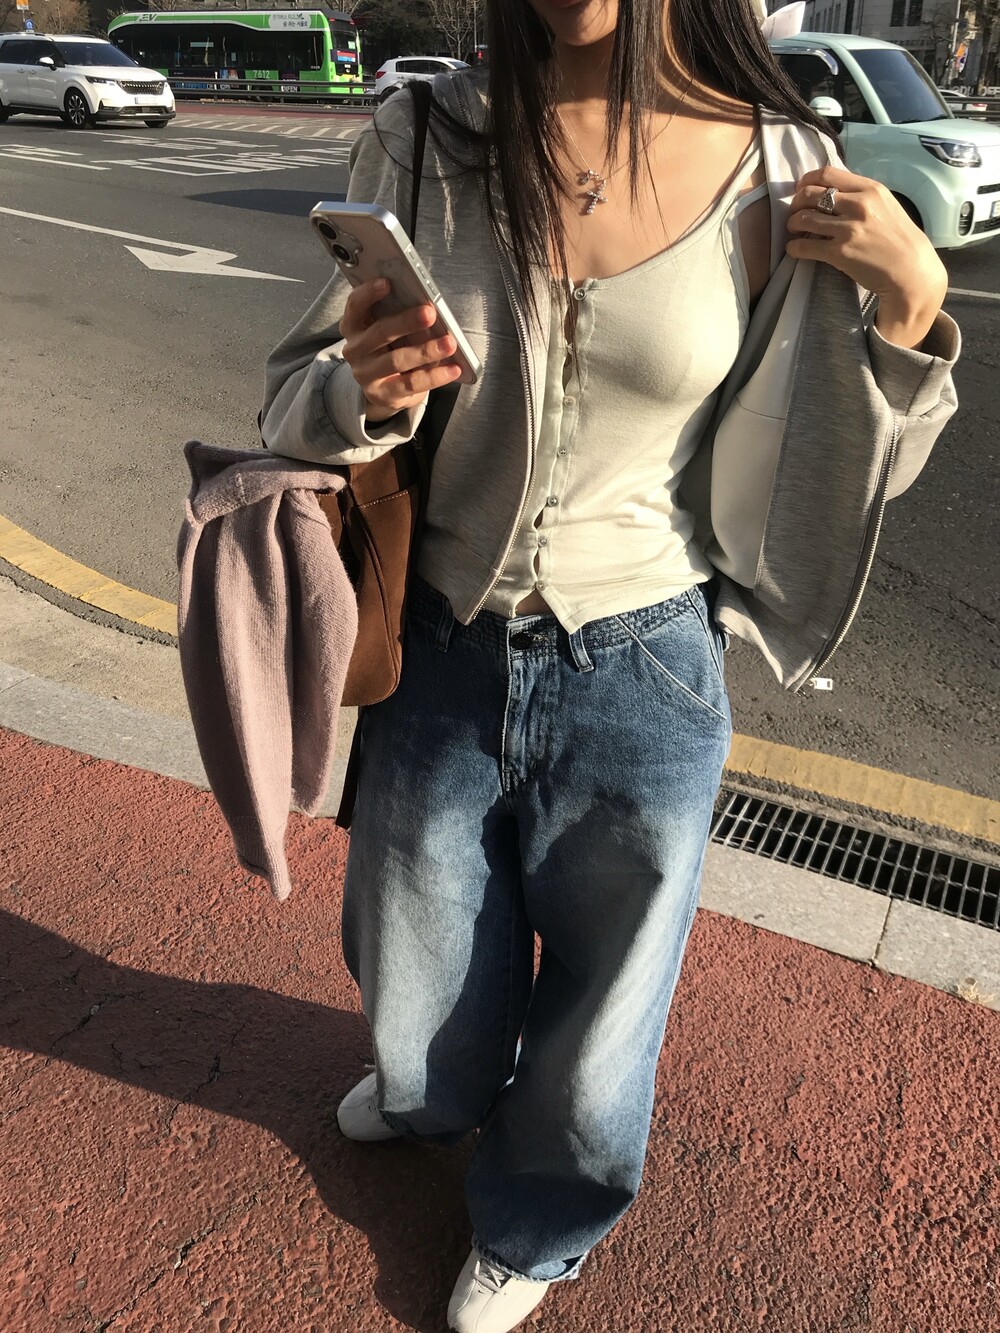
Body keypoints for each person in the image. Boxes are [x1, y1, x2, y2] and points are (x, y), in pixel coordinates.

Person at [261, 1, 959, 1328]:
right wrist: (364, 392)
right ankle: (434, 1098)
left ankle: (537, 1223)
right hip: (441, 645)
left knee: (605, 1012)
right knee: (412, 955)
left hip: (647, 665)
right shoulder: (426, 137)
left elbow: (834, 466)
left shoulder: (780, 168)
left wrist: (913, 305)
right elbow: (297, 392)